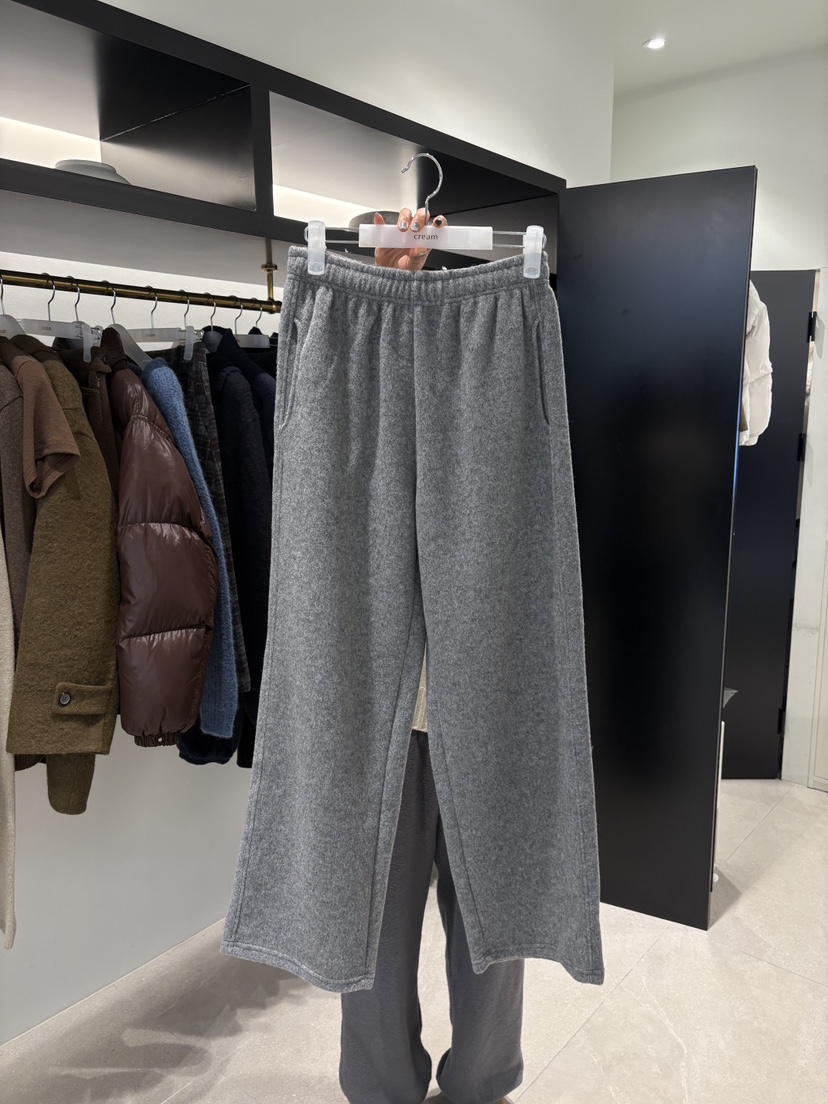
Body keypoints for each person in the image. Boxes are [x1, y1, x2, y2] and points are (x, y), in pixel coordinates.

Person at [337, 207, 521, 1104]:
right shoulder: (352, 355)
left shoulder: (508, 351)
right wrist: (385, 285)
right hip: (381, 703)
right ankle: (386, 1087)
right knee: (372, 918)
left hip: (484, 690)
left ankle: (479, 1083)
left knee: (494, 918)